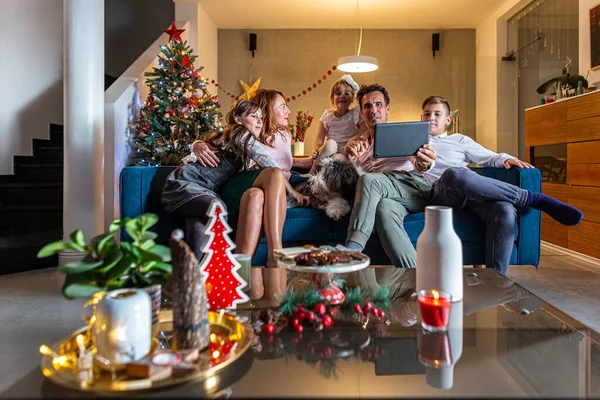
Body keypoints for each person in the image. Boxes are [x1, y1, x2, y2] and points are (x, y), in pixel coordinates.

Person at [422, 95, 583, 274]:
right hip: (442, 195)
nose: (431, 118)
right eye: (427, 113)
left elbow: (490, 156)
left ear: (447, 120)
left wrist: (509, 159)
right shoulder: (416, 143)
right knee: (453, 174)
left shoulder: (460, 140)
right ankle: (532, 198)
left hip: (472, 195)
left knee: (505, 209)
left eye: (437, 114)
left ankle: (497, 281)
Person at [162, 99, 287, 299]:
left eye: (261, 118)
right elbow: (269, 163)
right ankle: (202, 280)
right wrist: (196, 145)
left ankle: (191, 284)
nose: (259, 121)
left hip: (202, 191)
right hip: (187, 184)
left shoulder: (234, 145)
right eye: (253, 116)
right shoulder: (239, 132)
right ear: (238, 119)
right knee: (216, 208)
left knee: (198, 222)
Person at [342, 84, 437, 271]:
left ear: (387, 108)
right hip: (386, 197)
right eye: (368, 106)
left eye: (378, 104)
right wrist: (350, 159)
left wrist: (424, 162)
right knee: (384, 209)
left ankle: (351, 251)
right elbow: (352, 180)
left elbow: (420, 162)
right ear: (362, 111)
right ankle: (417, 278)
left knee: (369, 180)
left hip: (412, 187)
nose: (373, 110)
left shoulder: (400, 133)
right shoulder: (358, 143)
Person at [306, 75, 367, 176]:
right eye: (338, 93)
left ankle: (321, 177)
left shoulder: (354, 114)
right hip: (329, 149)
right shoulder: (327, 116)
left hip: (345, 150)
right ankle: (312, 173)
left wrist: (352, 143)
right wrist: (317, 149)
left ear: (352, 99)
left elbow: (363, 132)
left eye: (347, 94)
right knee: (330, 143)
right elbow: (320, 138)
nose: (342, 96)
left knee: (336, 159)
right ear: (332, 98)